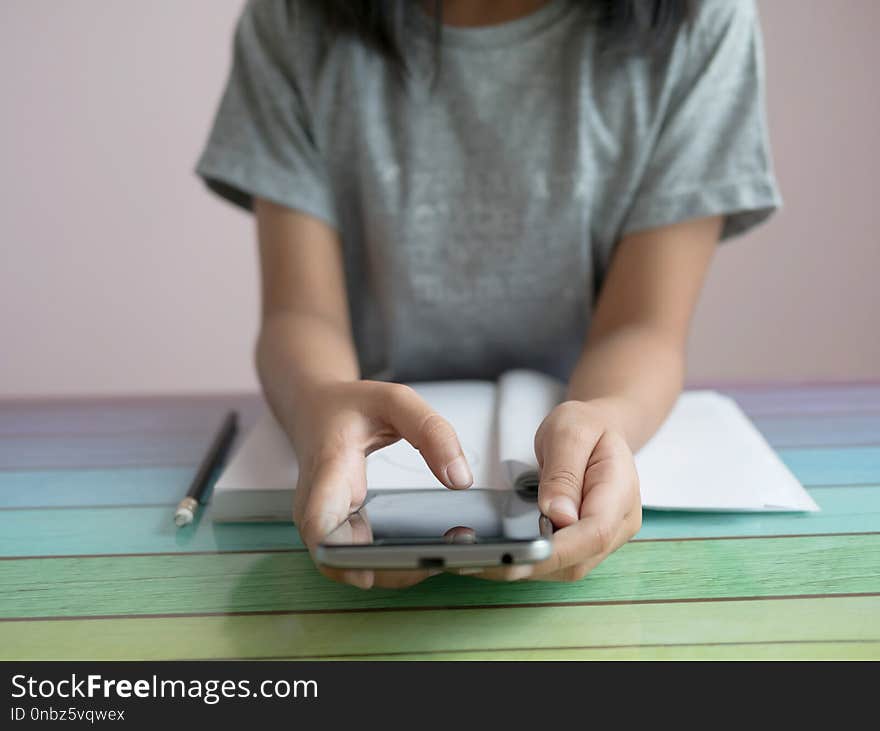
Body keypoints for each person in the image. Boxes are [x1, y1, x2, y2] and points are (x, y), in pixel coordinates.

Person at [196, 0, 780, 588]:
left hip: (574, 432)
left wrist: (610, 422)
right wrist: (317, 401)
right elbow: (301, 314)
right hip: (369, 448)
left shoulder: (700, 22)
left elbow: (644, 328)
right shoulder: (293, 19)